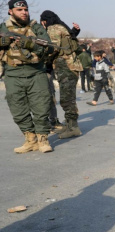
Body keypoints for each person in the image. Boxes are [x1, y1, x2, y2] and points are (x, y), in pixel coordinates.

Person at [0, 0, 53, 153]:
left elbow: (48, 47)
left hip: (36, 72)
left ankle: (43, 139)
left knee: (41, 107)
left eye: (25, 9)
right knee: (17, 108)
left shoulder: (36, 27)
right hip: (12, 74)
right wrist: (4, 40)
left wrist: (28, 44)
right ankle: (31, 139)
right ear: (10, 12)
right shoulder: (3, 28)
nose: (24, 12)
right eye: (19, 10)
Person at [40, 10, 83, 139]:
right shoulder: (62, 27)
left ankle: (73, 128)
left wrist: (41, 58)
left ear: (45, 21)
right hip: (69, 67)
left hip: (66, 67)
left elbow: (53, 48)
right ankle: (69, 125)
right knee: (67, 97)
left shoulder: (53, 28)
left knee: (67, 99)